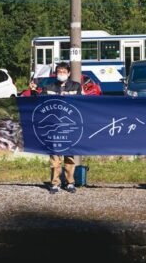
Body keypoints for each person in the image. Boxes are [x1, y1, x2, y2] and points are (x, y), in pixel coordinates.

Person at [44, 62, 82, 194]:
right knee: (55, 157)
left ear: (69, 73)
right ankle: (55, 184)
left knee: (69, 157)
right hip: (53, 127)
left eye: (64, 71)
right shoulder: (48, 87)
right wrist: (32, 90)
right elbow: (39, 103)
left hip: (70, 127)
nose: (61, 74)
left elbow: (83, 104)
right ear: (56, 73)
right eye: (59, 72)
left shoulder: (76, 86)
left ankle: (70, 183)